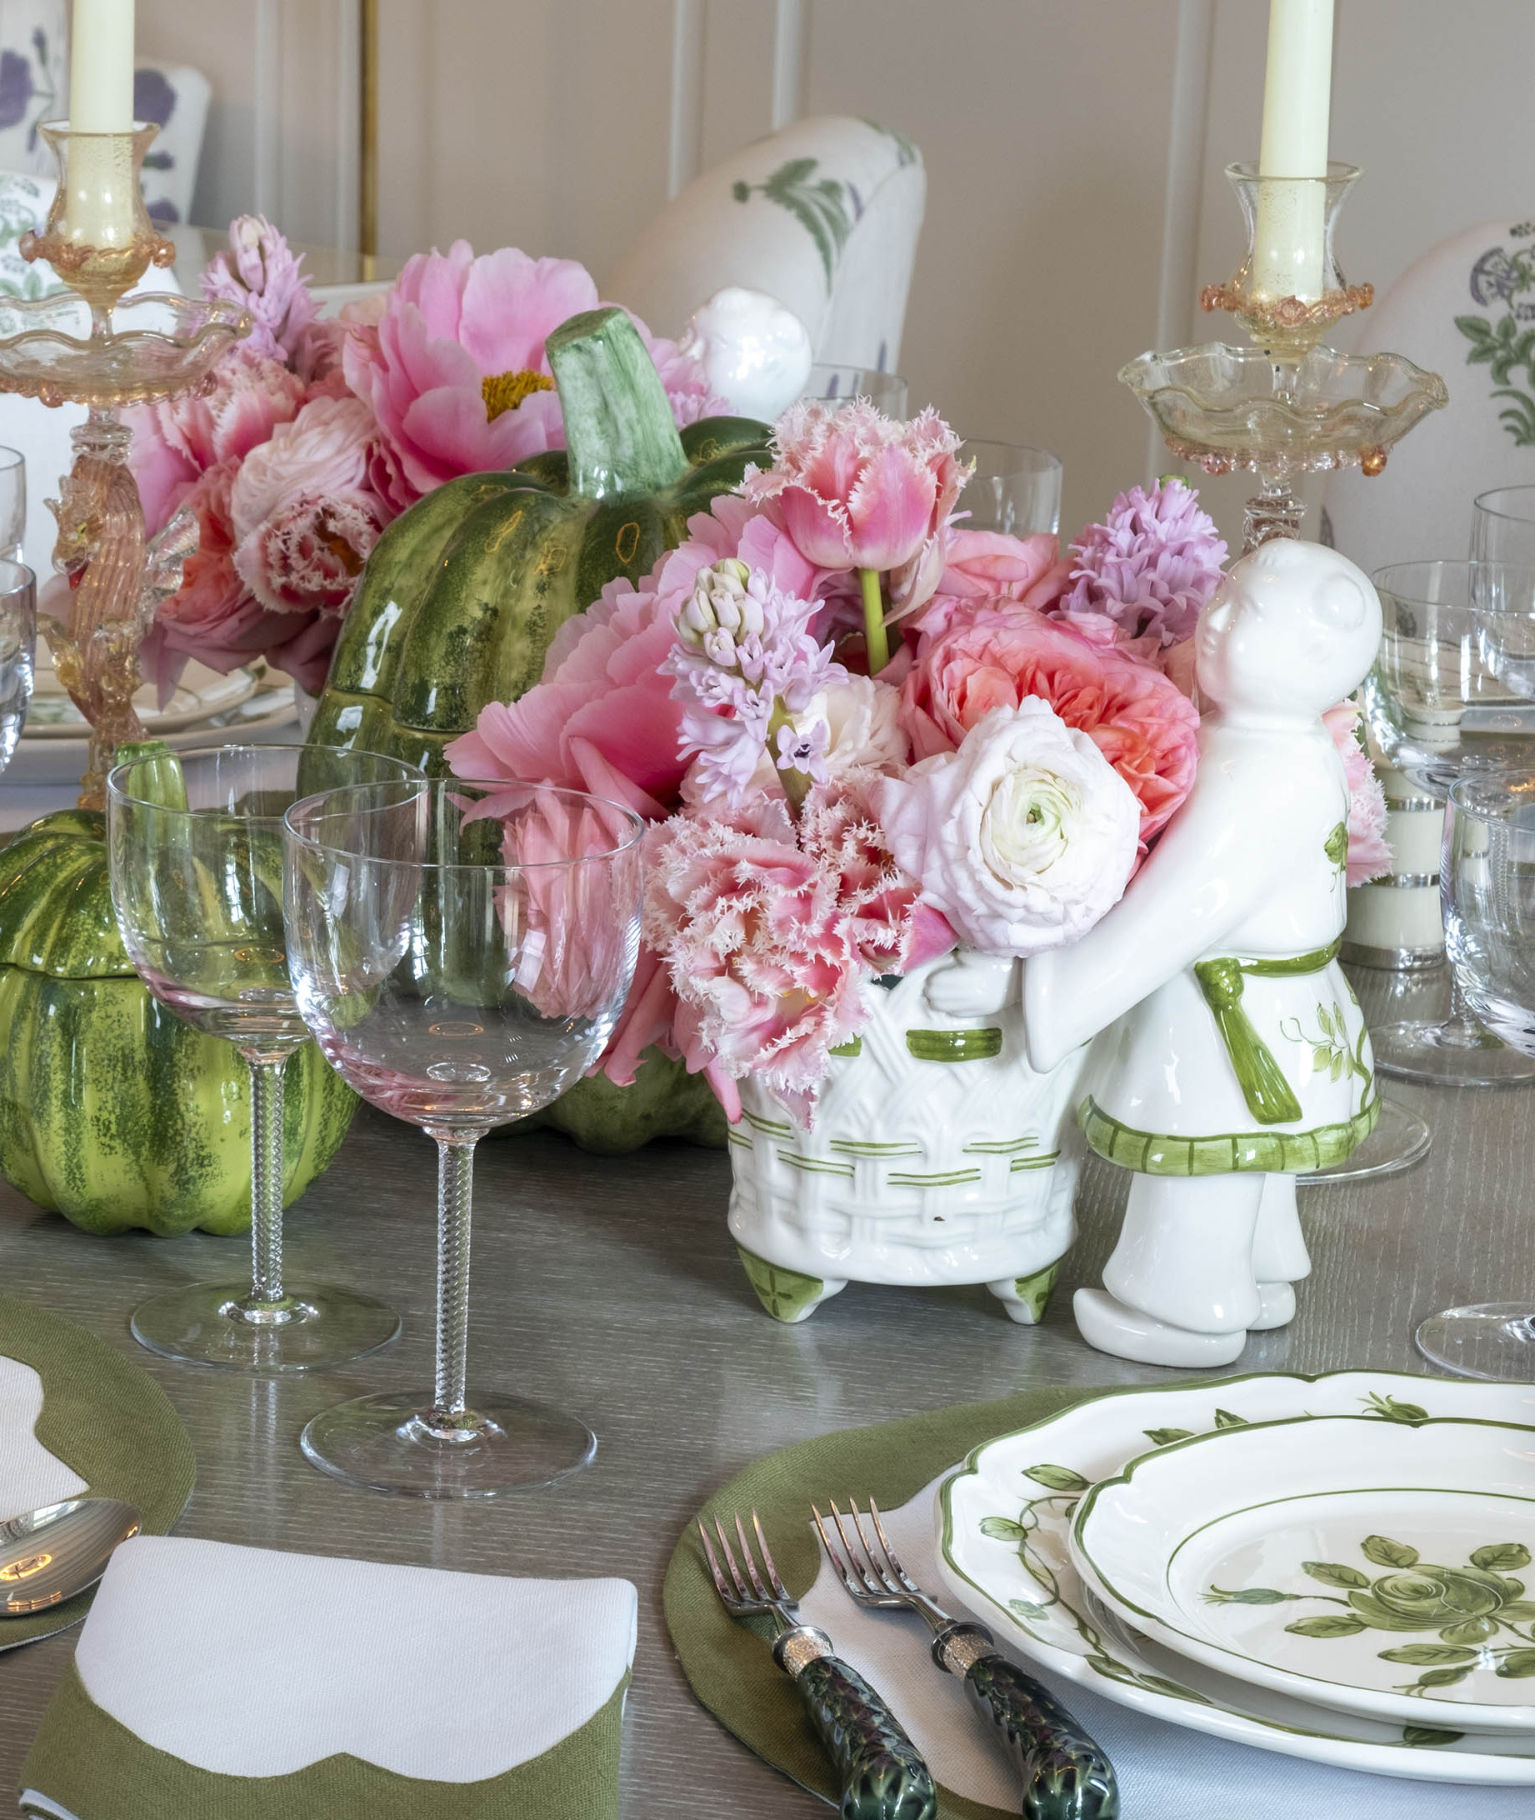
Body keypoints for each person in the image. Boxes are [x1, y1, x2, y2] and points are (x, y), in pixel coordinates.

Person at [1024, 538, 1382, 1366]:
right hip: (1281, 1004)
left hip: (1226, 1017)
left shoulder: (1259, 772)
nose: (1214, 622)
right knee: (1255, 1164)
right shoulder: (1284, 748)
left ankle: (1183, 1305)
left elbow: (1177, 912)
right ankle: (1257, 1273)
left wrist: (1057, 997)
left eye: (1245, 613)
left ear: (1317, 657)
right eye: (1222, 597)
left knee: (1204, 1160)